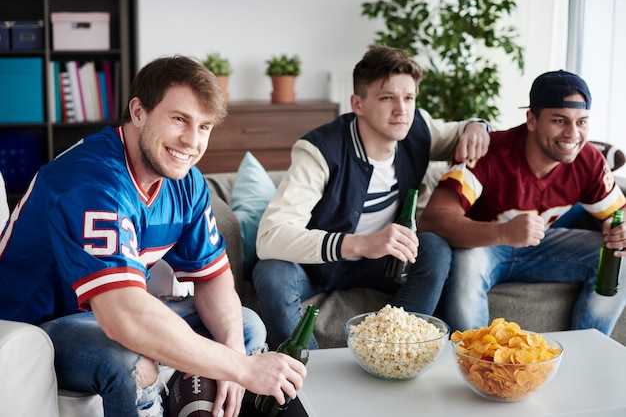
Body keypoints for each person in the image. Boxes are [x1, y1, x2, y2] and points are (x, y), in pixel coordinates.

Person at [0, 56, 306, 417]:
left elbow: (213, 276)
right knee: (130, 359)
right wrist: (243, 368)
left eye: (204, 126)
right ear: (139, 112)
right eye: (179, 119)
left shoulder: (185, 180)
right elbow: (123, 317)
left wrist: (234, 352)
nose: (192, 141)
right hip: (35, 325)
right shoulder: (90, 181)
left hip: (108, 311)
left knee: (244, 325)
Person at [252, 45, 491, 349]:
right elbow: (270, 237)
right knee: (272, 271)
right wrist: (362, 243)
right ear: (358, 104)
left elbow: (465, 132)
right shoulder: (318, 151)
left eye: (408, 98)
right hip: (316, 265)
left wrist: (477, 126)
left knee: (434, 249)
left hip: (379, 266)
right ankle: (306, 377)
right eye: (386, 97)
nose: (401, 110)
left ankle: (394, 352)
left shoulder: (417, 128)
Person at [420, 70, 626, 335]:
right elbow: (433, 219)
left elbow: (618, 214)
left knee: (620, 256)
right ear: (531, 119)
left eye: (582, 122)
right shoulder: (490, 152)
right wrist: (504, 232)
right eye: (560, 120)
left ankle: (588, 350)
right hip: (484, 248)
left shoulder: (588, 160)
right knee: (468, 263)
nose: (573, 134)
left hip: (543, 245)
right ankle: (473, 364)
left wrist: (621, 230)